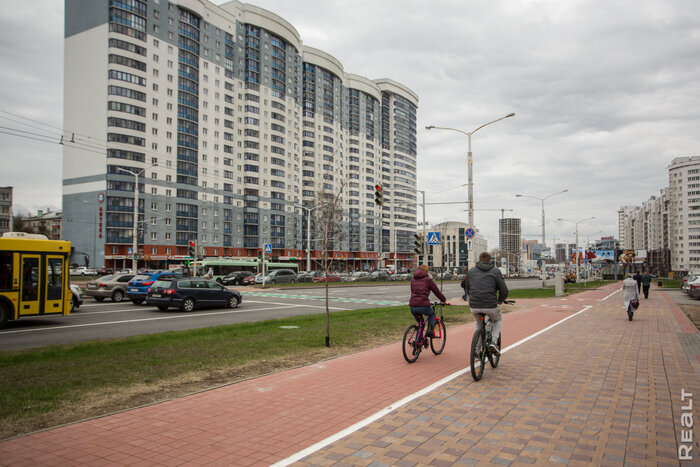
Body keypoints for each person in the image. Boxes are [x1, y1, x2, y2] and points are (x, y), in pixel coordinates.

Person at [462, 252, 509, 356]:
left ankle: (476, 349)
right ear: (490, 260)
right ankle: (493, 342)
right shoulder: (495, 271)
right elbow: (504, 290)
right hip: (490, 304)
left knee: (479, 324)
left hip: (474, 305)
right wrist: (500, 300)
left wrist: (470, 298)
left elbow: (467, 288)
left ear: (479, 260)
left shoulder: (471, 271)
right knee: (498, 319)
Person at [409, 265, 447, 338]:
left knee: (421, 324)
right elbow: (436, 292)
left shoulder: (413, 279)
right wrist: (443, 300)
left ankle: (418, 343)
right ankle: (430, 330)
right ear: (426, 271)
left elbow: (413, 291)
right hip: (423, 305)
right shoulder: (428, 280)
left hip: (412, 306)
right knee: (432, 314)